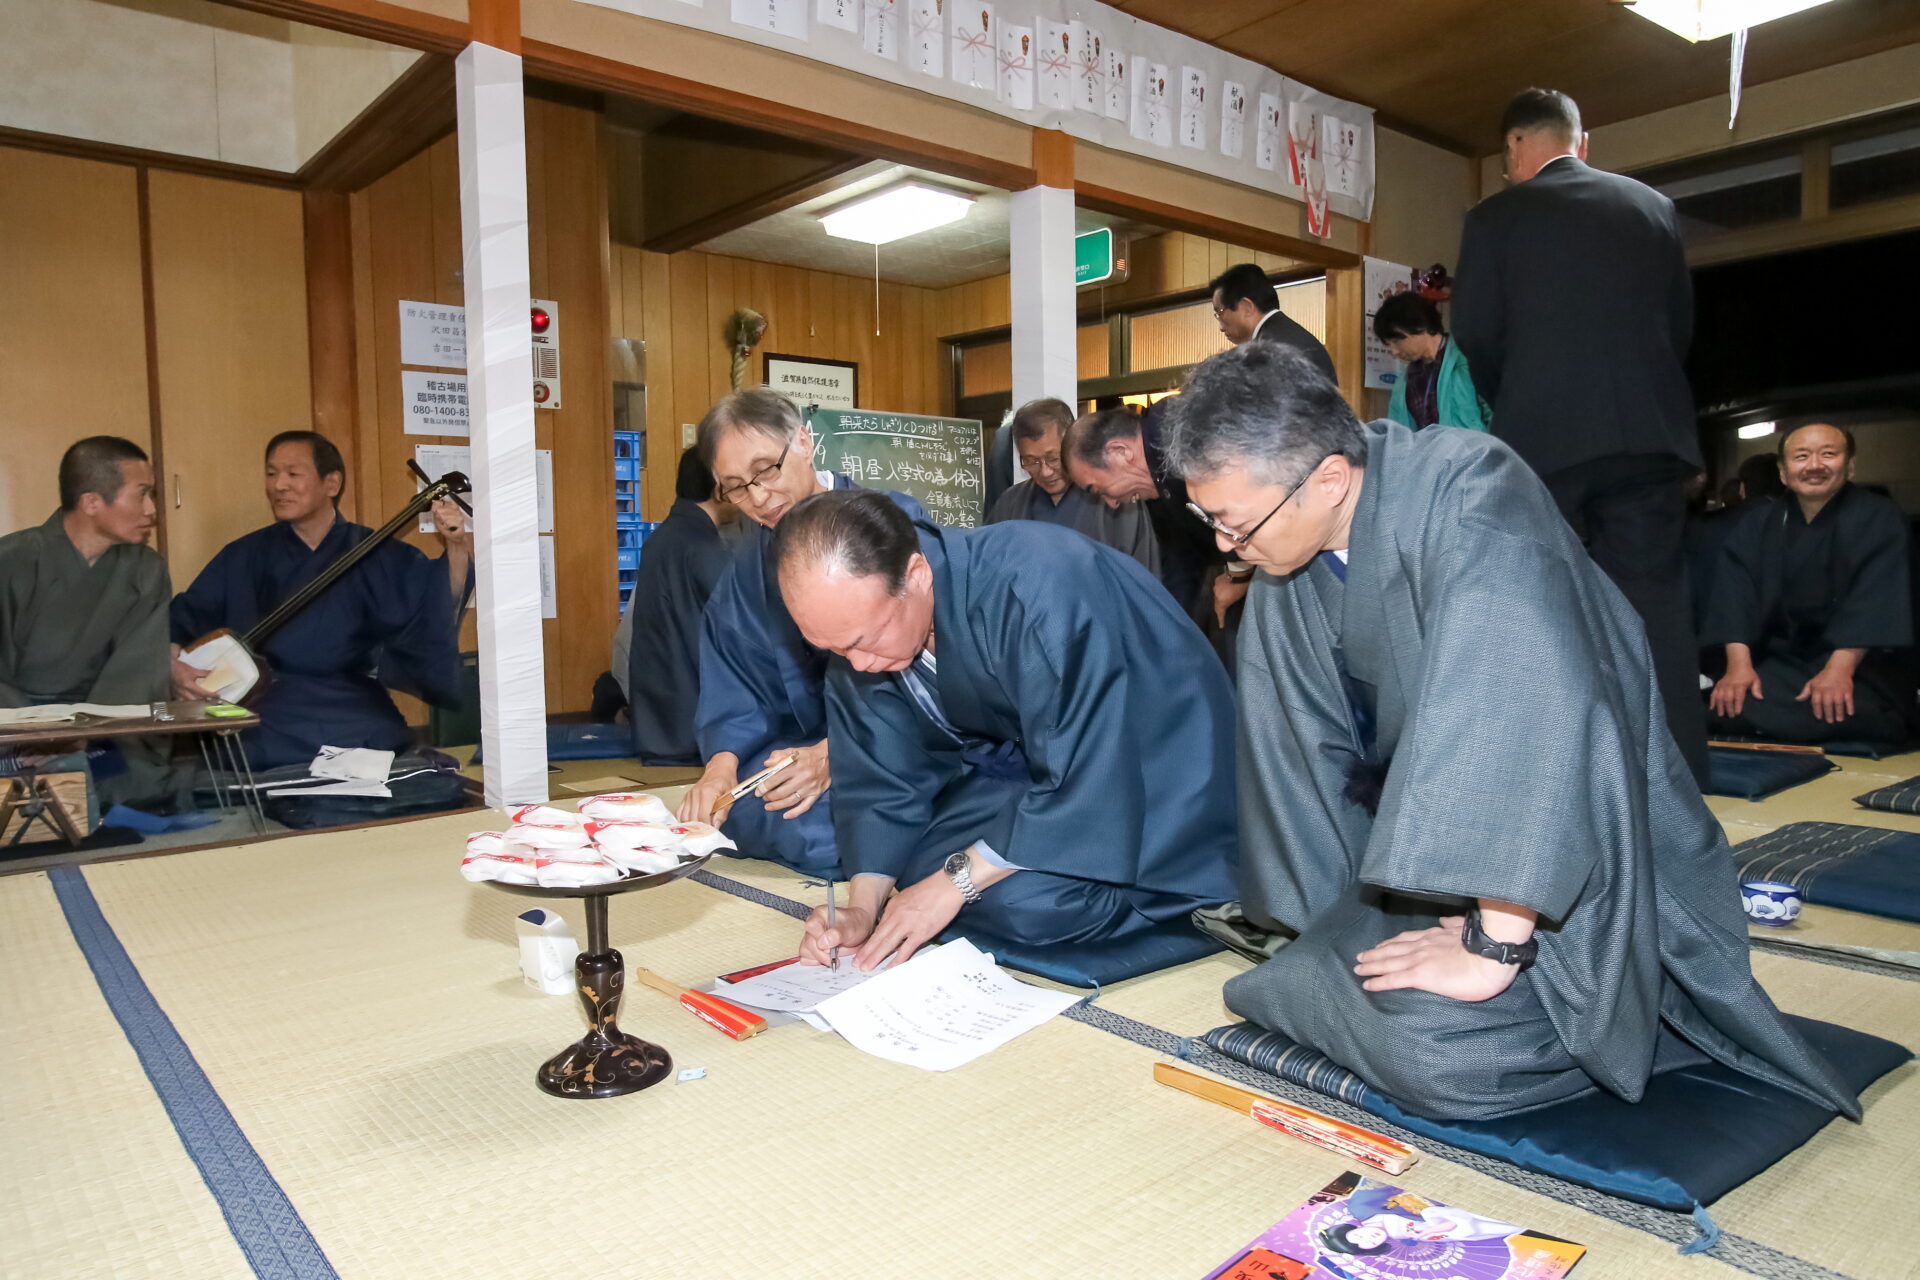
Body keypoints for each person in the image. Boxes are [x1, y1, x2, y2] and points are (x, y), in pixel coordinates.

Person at [1160, 343, 1858, 1124]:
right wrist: (1339, 925)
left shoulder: (1474, 492)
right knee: (1284, 980)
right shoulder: (1292, 554)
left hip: (1575, 853)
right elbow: (1300, 760)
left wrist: (1493, 946)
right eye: (1209, 520)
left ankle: (1629, 1000)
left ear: (1326, 478)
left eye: (1231, 520)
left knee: (1443, 1054)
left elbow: (1521, 712)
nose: (1224, 544)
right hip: (1435, 860)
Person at [771, 489, 1237, 969]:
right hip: (1039, 778)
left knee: (1023, 905)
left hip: (1154, 775)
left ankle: (1158, 897)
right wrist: (862, 910)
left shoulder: (1038, 584)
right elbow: (879, 780)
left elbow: (1088, 766)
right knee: (909, 867)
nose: (860, 665)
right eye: (835, 649)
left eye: (863, 641)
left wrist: (954, 883)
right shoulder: (862, 636)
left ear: (916, 575)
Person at [1452, 87, 1708, 786]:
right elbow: (1678, 324)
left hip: (1546, 439)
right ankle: (1677, 780)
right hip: (1648, 434)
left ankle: (1556, 776)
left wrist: (1522, 397)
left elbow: (1476, 332)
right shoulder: (1651, 208)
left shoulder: (1496, 217)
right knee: (1655, 601)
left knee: (1544, 604)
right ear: (1581, 142)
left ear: (1513, 149)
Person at [675, 390, 926, 876]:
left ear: (805, 442)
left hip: (897, 744)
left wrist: (836, 754)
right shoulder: (751, 564)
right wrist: (719, 772)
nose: (759, 497)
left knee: (853, 822)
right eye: (736, 487)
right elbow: (735, 678)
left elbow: (933, 674)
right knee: (742, 811)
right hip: (802, 748)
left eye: (766, 469)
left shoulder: (890, 525)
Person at [169, 430, 471, 768]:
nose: (279, 485)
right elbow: (180, 621)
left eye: (292, 474)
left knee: (387, 750)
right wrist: (173, 665)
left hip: (349, 700)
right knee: (249, 752)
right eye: (271, 474)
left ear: (332, 483)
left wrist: (456, 545)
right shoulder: (243, 555)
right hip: (267, 701)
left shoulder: (378, 553)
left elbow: (437, 604)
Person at [1705, 423, 1915, 746]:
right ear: (1784, 472)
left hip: (1860, 667)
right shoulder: (1758, 525)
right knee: (1724, 703)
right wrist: (1738, 668)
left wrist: (1838, 670)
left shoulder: (1879, 518)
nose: (1814, 466)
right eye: (1801, 456)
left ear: (1850, 465)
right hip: (1784, 663)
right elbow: (1734, 597)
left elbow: (1875, 599)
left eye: (1828, 454)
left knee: (1849, 707)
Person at [0, 437, 173, 807]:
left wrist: (81, 734)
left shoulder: (146, 570)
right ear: (92, 502)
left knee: (153, 768)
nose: (151, 509)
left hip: (100, 723)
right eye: (141, 494)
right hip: (12, 721)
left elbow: (137, 669)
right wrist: (37, 732)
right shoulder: (10, 561)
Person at [624, 450, 737, 764]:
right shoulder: (704, 547)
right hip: (697, 727)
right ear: (720, 489)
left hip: (657, 723)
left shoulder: (660, 539)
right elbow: (739, 632)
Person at [1064, 405, 1224, 623]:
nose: (1111, 504)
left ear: (1120, 452)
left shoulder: (1181, 433)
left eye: (1099, 490)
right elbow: (1182, 560)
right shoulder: (1156, 491)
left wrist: (1238, 573)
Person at [985, 397, 1158, 576]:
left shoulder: (1115, 497)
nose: (1045, 471)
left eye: (1053, 458)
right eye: (1031, 461)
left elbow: (1142, 578)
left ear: (1071, 444)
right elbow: (990, 570)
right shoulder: (1010, 504)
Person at [1372, 292, 1489, 433]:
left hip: (1473, 453)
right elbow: (1395, 434)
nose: (1394, 352)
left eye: (1396, 341)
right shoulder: (1404, 382)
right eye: (1389, 344)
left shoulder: (1465, 360)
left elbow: (1495, 415)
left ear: (1419, 327)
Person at [1210, 262, 1337, 381]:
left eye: (1220, 312)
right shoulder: (1287, 335)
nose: (1220, 327)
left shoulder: (1270, 350)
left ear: (1246, 307)